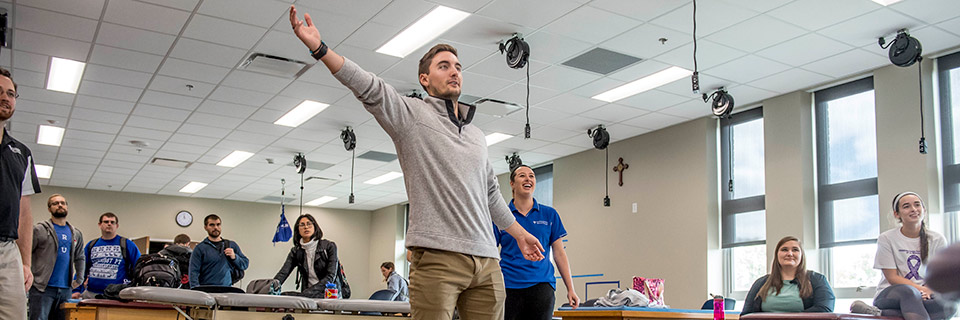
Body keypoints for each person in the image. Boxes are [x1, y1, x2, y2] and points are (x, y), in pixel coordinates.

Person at [288, 6, 545, 319]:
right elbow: (367, 86)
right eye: (444, 66)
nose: (454, 72)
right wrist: (320, 48)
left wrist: (519, 234)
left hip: (488, 262)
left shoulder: (478, 135)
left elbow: (491, 195)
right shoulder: (411, 116)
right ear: (425, 79)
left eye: (458, 67)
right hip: (438, 259)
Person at [850, 192, 955, 320]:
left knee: (950, 305)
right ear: (897, 214)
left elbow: (939, 275)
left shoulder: (937, 238)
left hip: (924, 295)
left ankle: (878, 313)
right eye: (906, 206)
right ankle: (884, 309)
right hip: (892, 293)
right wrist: (920, 289)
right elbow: (892, 277)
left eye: (917, 205)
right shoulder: (887, 238)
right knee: (908, 293)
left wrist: (928, 290)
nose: (914, 209)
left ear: (924, 210)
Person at [495, 165, 580, 320]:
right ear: (512, 183)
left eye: (532, 176)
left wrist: (571, 289)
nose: (528, 179)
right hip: (508, 287)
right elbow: (491, 252)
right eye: (522, 175)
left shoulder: (550, 214)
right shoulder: (502, 216)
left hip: (541, 286)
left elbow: (559, 253)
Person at [0, 66, 39, 320]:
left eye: (11, 93)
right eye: (0, 91)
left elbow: (24, 213)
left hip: (6, 250)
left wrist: (25, 263)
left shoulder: (21, 153)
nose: (5, 97)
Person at [742, 236, 835, 315]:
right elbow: (746, 314)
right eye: (784, 250)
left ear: (801, 255)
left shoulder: (817, 279)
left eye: (795, 250)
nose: (789, 254)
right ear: (777, 255)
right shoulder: (761, 282)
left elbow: (824, 309)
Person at [28, 194, 84, 320]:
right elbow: (26, 252)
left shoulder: (76, 233)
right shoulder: (39, 230)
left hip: (65, 290)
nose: (60, 205)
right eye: (55, 203)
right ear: (49, 209)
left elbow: (80, 257)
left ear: (67, 207)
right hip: (42, 288)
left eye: (63, 203)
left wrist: (79, 279)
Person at [273, 214, 338, 297]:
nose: (306, 227)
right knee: (283, 296)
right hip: (308, 295)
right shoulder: (296, 251)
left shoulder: (329, 247)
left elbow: (330, 276)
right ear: (298, 229)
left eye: (309, 224)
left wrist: (309, 292)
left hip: (329, 294)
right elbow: (283, 273)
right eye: (302, 225)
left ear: (315, 227)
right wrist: (271, 287)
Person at [79, 212, 140, 299]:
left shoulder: (127, 244)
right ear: (100, 225)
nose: (109, 224)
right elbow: (81, 269)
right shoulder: (91, 245)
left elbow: (138, 267)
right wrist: (77, 290)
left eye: (112, 222)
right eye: (106, 222)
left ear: (117, 226)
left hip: (117, 295)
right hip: (91, 294)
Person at [190, 214, 249, 288]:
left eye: (218, 224)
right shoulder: (200, 248)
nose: (215, 227)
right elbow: (193, 272)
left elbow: (245, 264)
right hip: (206, 290)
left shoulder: (231, 245)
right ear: (205, 227)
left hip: (227, 289)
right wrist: (195, 290)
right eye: (212, 225)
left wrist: (234, 257)